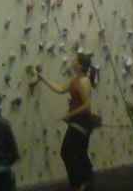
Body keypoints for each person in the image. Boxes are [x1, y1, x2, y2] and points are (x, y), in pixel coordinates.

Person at [37, 53, 99, 191]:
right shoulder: (76, 80)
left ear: (80, 65)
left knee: (67, 152)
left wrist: (69, 114)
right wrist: (43, 78)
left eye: (75, 60)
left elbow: (87, 106)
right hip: (78, 121)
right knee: (79, 152)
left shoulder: (83, 81)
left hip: (81, 121)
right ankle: (85, 181)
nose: (72, 61)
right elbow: (60, 89)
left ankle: (78, 184)